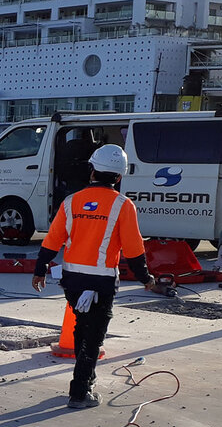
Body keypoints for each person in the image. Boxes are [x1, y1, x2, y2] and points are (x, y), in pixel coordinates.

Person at [30, 144, 155, 409]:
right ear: (119, 177)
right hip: (102, 281)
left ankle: (86, 380)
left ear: (92, 171)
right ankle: (79, 392)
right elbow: (134, 249)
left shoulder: (71, 201)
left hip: (72, 279)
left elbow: (53, 241)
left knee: (81, 327)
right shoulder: (123, 205)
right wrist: (145, 277)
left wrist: (40, 269)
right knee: (94, 336)